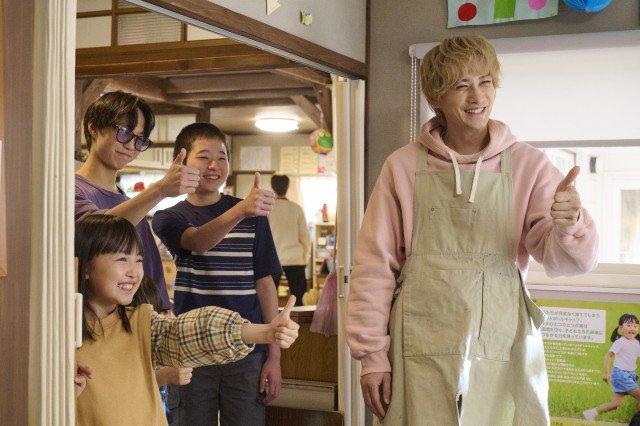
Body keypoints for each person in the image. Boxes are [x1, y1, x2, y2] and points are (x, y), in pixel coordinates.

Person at [346, 35, 598, 425]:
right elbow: (374, 266)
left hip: (502, 340)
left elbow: (570, 264)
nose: (477, 96)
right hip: (418, 342)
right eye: (461, 85)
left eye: (486, 82)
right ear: (436, 97)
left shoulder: (529, 164)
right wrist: (372, 356)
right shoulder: (402, 166)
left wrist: (569, 226)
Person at [74, 214, 299, 425]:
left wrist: (264, 332)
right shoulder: (63, 335)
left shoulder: (141, 322)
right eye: (122, 259)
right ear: (84, 267)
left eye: (139, 259)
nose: (134, 272)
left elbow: (192, 331)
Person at [151, 122, 281, 426]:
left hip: (246, 350)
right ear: (181, 161)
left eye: (222, 157)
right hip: (190, 352)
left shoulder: (254, 217)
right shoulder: (169, 217)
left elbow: (265, 284)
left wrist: (274, 356)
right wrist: (241, 211)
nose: (214, 166)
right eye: (204, 157)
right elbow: (198, 241)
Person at [75, 90, 201, 312]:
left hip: (139, 320)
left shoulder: (130, 203)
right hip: (93, 322)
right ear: (94, 127)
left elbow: (150, 272)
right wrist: (160, 190)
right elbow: (98, 232)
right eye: (123, 132)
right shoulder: (71, 190)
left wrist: (163, 310)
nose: (131, 146)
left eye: (139, 139)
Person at [583, 314, 640, 422]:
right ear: (621, 327)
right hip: (621, 375)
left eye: (635, 326)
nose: (632, 328)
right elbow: (608, 356)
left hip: (630, 375)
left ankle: (590, 413)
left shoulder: (637, 342)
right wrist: (606, 372)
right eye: (629, 325)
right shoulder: (620, 342)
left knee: (615, 404)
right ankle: (638, 421)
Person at [268, 174, 310, 306]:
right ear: (288, 186)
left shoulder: (268, 209)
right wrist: (305, 258)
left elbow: (263, 237)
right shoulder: (296, 209)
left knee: (268, 298)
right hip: (295, 258)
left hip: (273, 258)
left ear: (272, 187)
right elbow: (305, 237)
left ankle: (271, 319)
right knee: (298, 298)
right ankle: (297, 319)